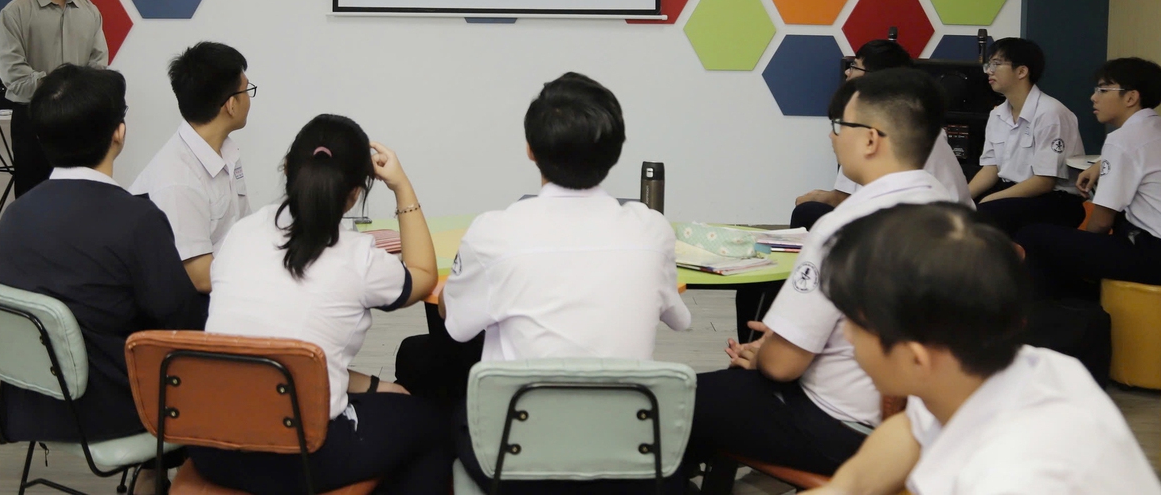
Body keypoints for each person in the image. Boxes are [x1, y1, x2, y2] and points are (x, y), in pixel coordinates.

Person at [687, 68, 954, 479]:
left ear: (870, 139)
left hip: (841, 428)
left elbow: (783, 366)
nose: (832, 136)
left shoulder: (843, 226)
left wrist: (766, 352)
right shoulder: (952, 214)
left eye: (840, 125)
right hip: (926, 429)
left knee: (665, 406)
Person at [441, 72, 691, 494]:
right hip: (629, 463)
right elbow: (679, 319)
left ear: (530, 149)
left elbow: (456, 327)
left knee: (445, 400)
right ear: (616, 151)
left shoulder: (494, 231)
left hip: (514, 465)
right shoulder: (652, 230)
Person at [804, 203, 1161, 495]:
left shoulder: (1013, 477)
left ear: (916, 357)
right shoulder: (994, 368)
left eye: (854, 323)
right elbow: (911, 430)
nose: (846, 335)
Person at [188, 114, 449, 495]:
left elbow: (283, 351)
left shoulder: (240, 235)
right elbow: (423, 274)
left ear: (286, 168)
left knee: (392, 401)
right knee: (432, 426)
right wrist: (402, 187)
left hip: (211, 447)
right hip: (298, 456)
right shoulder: (357, 257)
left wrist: (375, 386)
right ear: (355, 193)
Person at [0, 65, 206, 493]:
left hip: (29, 404)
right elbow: (184, 322)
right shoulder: (136, 219)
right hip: (111, 411)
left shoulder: (14, 216)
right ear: (118, 133)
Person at [1016, 57, 1161, 299]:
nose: (1094, 97)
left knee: (1032, 236)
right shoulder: (1152, 128)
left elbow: (1102, 222)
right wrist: (1101, 164)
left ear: (1131, 97)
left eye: (1103, 90)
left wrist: (1082, 250)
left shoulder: (1121, 140)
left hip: (1151, 253)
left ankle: (1071, 307)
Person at [792, 39, 972, 231]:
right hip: (896, 220)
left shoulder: (914, 131)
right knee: (809, 210)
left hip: (929, 228)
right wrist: (825, 197)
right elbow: (852, 195)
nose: (847, 72)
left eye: (855, 66)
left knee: (811, 213)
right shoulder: (866, 125)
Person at [130, 42, 252, 293]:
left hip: (228, 286)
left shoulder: (227, 152)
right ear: (231, 105)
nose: (249, 99)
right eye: (247, 90)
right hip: (193, 304)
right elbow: (201, 278)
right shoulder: (177, 179)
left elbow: (245, 230)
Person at [0, 0, 108, 197]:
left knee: (80, 198)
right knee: (34, 198)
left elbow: (98, 67)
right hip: (33, 120)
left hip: (80, 119)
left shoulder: (90, 11)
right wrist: (67, 86)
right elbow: (15, 77)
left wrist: (74, 92)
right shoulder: (15, 13)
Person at [968, 37, 1086, 234]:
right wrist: (961, 198)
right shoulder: (997, 114)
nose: (989, 71)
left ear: (1022, 71)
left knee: (983, 213)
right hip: (1010, 190)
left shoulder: (1051, 113)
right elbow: (990, 168)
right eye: (989, 65)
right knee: (957, 209)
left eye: (996, 64)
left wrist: (989, 200)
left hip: (1054, 199)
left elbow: (1044, 182)